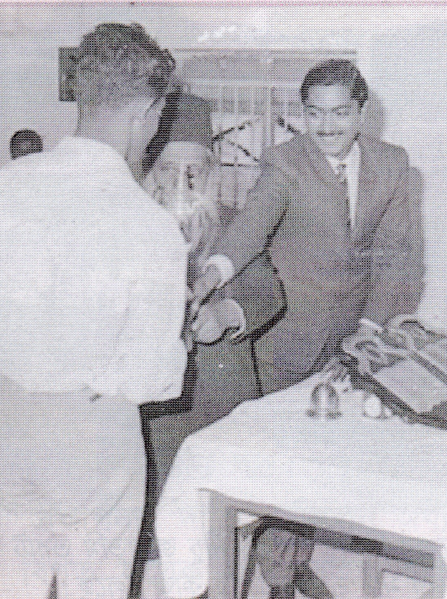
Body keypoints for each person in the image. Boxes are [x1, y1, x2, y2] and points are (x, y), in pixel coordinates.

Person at [191, 58, 424, 599]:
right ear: (303, 115)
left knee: (324, 461)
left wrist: (369, 327)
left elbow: (396, 258)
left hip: (354, 339)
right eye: (315, 114)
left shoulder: (392, 165)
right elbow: (248, 231)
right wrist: (211, 274)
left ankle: (294, 563)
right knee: (282, 465)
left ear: (361, 112)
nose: (326, 126)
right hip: (286, 337)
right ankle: (279, 578)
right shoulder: (285, 163)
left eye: (339, 113)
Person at [0, 23, 187, 599]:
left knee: (9, 584)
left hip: (9, 416)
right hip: (94, 433)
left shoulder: (5, 185)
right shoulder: (148, 226)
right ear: (148, 111)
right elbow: (154, 378)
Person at [129, 92, 286, 598]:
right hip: (151, 413)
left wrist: (226, 313)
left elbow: (268, 290)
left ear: (212, 170)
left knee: (220, 526)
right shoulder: (126, 224)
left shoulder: (237, 220)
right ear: (149, 170)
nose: (182, 183)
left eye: (194, 171)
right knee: (151, 530)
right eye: (169, 171)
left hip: (221, 399)